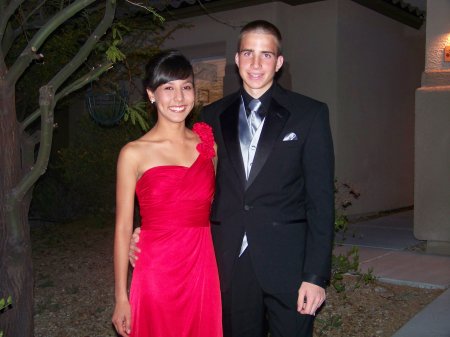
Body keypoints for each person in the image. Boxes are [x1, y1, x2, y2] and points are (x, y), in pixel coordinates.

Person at [130, 20, 334, 337]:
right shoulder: (212, 117)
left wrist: (316, 275)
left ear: (279, 63)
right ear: (236, 60)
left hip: (289, 267)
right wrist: (151, 229)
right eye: (248, 53)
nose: (255, 63)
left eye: (266, 55)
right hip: (228, 265)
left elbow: (321, 203)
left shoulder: (310, 114)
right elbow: (195, 183)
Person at [111, 50, 222, 337]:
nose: (179, 98)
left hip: (201, 268)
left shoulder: (208, 147)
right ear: (151, 94)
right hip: (157, 271)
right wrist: (121, 297)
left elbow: (221, 207)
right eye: (168, 88)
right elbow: (123, 228)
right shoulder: (133, 153)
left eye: (186, 87)